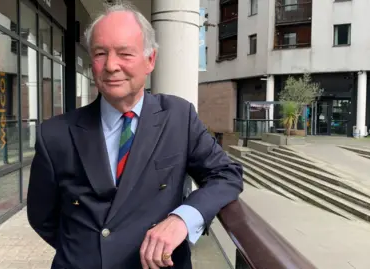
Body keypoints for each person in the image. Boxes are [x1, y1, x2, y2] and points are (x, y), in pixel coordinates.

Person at [27, 3, 243, 269]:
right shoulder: (55, 134)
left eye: (125, 53)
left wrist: (183, 218)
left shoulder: (178, 117)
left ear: (150, 60)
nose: (111, 65)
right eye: (100, 53)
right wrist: (87, 251)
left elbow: (226, 175)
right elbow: (42, 217)